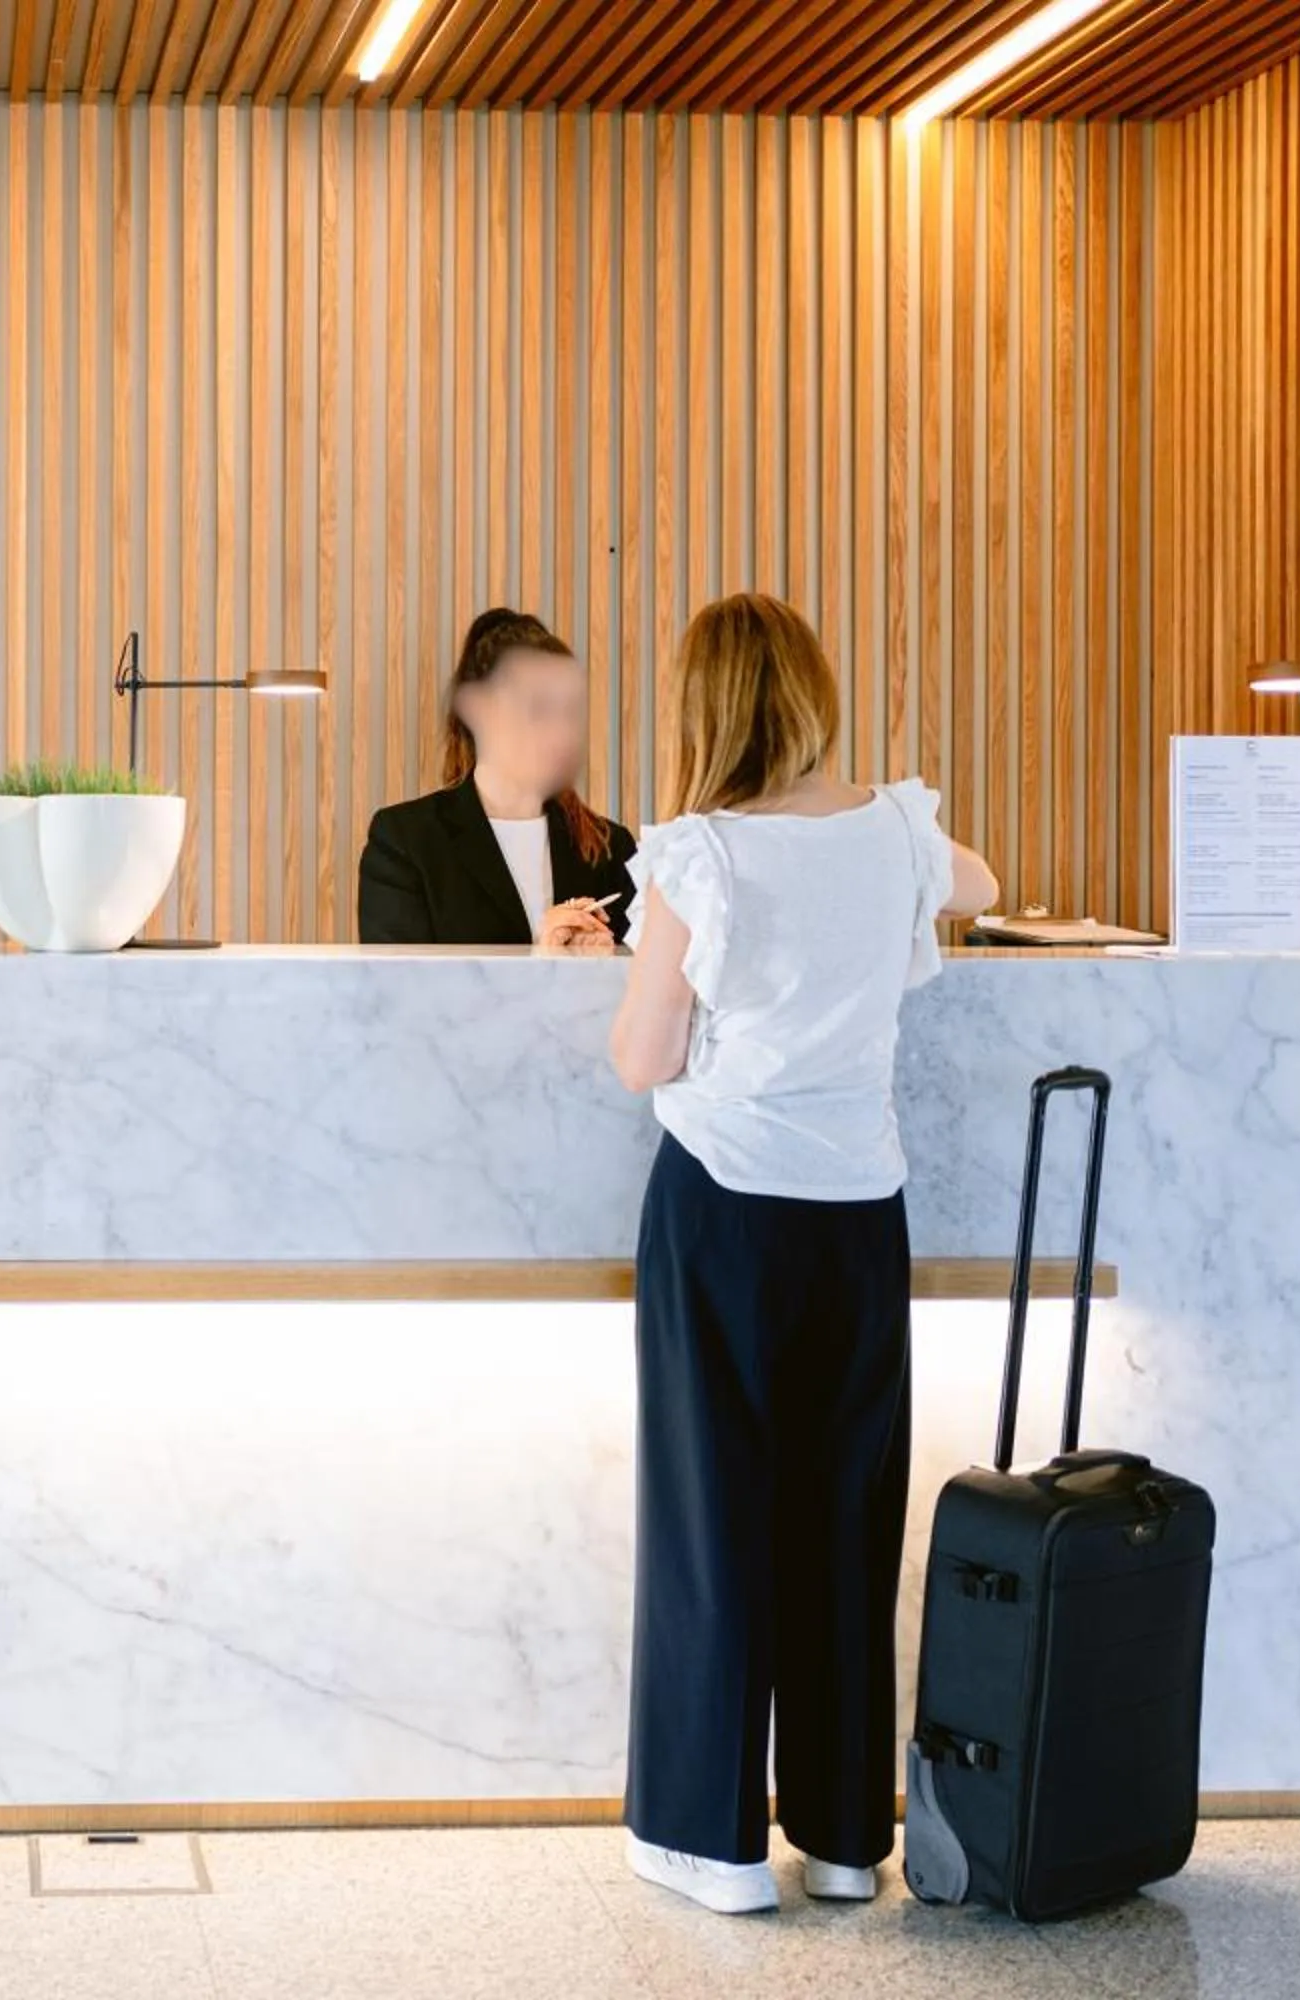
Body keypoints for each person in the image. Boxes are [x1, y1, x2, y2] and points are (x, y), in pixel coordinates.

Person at [606, 593, 997, 1916]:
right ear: (815, 694)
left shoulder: (701, 858)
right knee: (844, 1519)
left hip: (724, 1207)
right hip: (858, 1214)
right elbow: (982, 885)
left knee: (713, 1518)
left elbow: (643, 1056)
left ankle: (711, 1843)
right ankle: (840, 1837)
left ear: (702, 710)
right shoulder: (897, 832)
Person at [357, 609, 636, 949]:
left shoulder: (610, 848)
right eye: (538, 708)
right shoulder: (406, 842)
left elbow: (644, 975)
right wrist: (541, 957)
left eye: (568, 711)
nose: (560, 731)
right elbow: (395, 980)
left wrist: (603, 961)